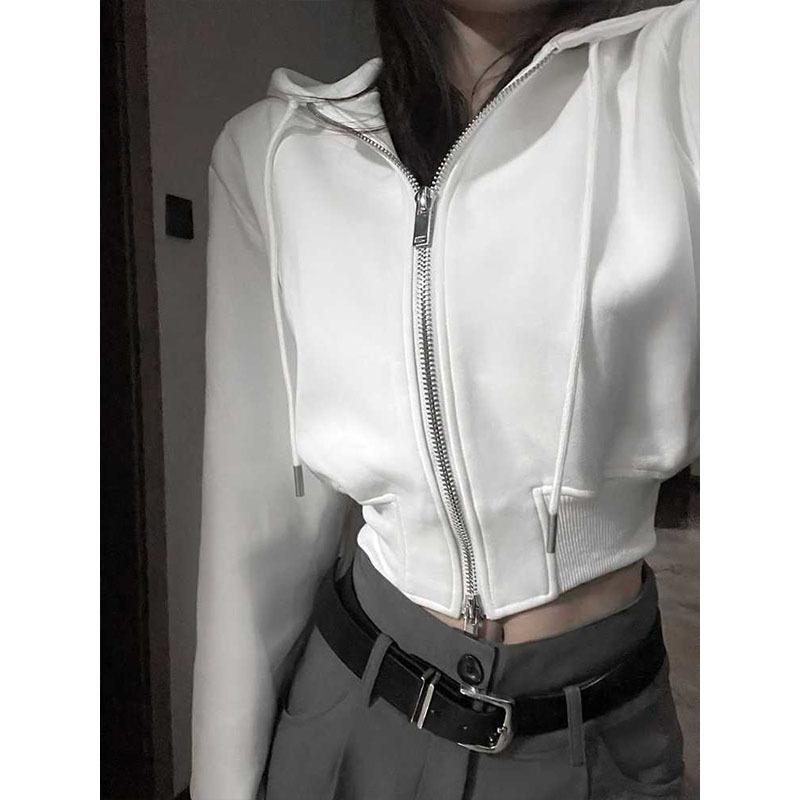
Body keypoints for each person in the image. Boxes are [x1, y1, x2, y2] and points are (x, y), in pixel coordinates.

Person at [189, 0, 699, 798]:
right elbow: (254, 531)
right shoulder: (272, 154)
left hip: (594, 730)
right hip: (350, 713)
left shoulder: (683, 79)